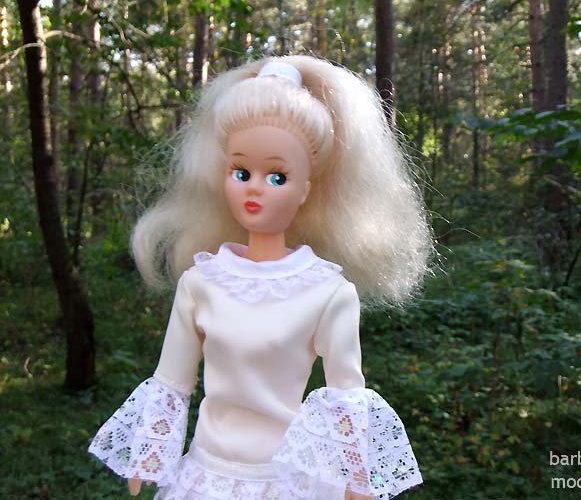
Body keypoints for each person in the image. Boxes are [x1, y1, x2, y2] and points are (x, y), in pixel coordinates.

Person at [87, 55, 433, 500]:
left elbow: (346, 392)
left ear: (305, 189)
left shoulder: (328, 292)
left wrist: (355, 479)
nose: (254, 188)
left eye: (277, 176)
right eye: (240, 172)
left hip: (286, 481)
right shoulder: (201, 283)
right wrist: (149, 453)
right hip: (206, 478)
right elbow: (173, 379)